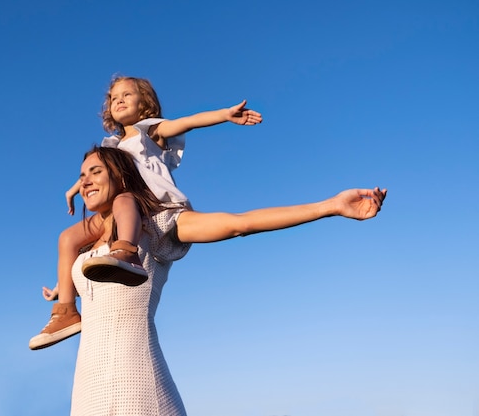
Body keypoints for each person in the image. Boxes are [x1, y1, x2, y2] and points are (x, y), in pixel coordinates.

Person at [69, 146, 387, 415]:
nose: (85, 182)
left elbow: (239, 224)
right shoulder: (86, 247)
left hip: (138, 386)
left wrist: (329, 206)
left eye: (95, 172)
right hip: (86, 388)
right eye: (82, 176)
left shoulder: (156, 226)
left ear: (121, 176)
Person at [29, 76, 263, 350]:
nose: (119, 100)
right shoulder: (111, 147)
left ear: (145, 104)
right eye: (114, 98)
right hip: (122, 212)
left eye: (127, 95)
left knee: (126, 199)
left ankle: (128, 253)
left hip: (151, 206)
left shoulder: (148, 131)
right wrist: (62, 284)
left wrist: (223, 115)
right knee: (68, 238)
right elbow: (92, 172)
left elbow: (187, 122)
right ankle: (65, 312)